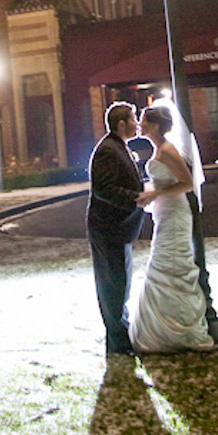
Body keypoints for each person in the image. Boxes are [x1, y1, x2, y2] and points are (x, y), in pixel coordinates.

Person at [127, 104, 216, 353]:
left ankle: (181, 331)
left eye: (143, 121)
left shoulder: (167, 150)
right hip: (164, 213)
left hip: (176, 214)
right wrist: (151, 194)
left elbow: (187, 183)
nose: (139, 124)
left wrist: (156, 193)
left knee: (172, 264)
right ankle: (165, 329)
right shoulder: (158, 150)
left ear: (155, 126)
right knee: (163, 264)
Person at [87, 101, 147, 356]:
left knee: (120, 282)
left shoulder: (118, 147)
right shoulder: (108, 150)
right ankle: (118, 343)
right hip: (109, 228)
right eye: (133, 120)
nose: (137, 124)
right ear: (121, 124)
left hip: (118, 229)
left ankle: (120, 339)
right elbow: (104, 189)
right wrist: (136, 196)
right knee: (113, 284)